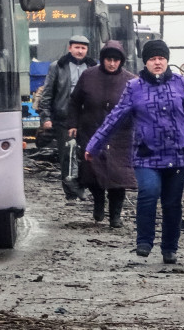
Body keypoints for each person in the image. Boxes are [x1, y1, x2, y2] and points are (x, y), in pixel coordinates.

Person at [84, 40, 184, 264]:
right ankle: (144, 241)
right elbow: (115, 118)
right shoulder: (134, 87)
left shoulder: (180, 83)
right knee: (148, 192)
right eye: (152, 59)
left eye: (161, 58)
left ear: (167, 61)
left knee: (172, 202)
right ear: (145, 62)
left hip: (178, 155)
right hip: (146, 153)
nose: (157, 62)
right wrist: (95, 144)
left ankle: (170, 248)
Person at [68, 40, 137, 228]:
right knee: (93, 172)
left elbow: (139, 107)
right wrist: (73, 124)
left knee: (118, 176)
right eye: (108, 59)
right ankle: (98, 203)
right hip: (92, 130)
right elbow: (74, 102)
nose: (112, 63)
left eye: (116, 60)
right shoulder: (88, 76)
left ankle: (115, 215)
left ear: (121, 61)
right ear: (102, 59)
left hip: (120, 135)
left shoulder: (131, 81)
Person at [38, 35, 98, 202]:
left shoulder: (93, 67)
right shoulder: (58, 66)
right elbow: (47, 93)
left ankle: (83, 186)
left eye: (83, 48)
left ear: (87, 50)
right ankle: (71, 193)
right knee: (67, 155)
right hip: (63, 118)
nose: (80, 51)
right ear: (70, 48)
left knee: (86, 154)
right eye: (77, 47)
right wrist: (46, 117)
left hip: (87, 118)